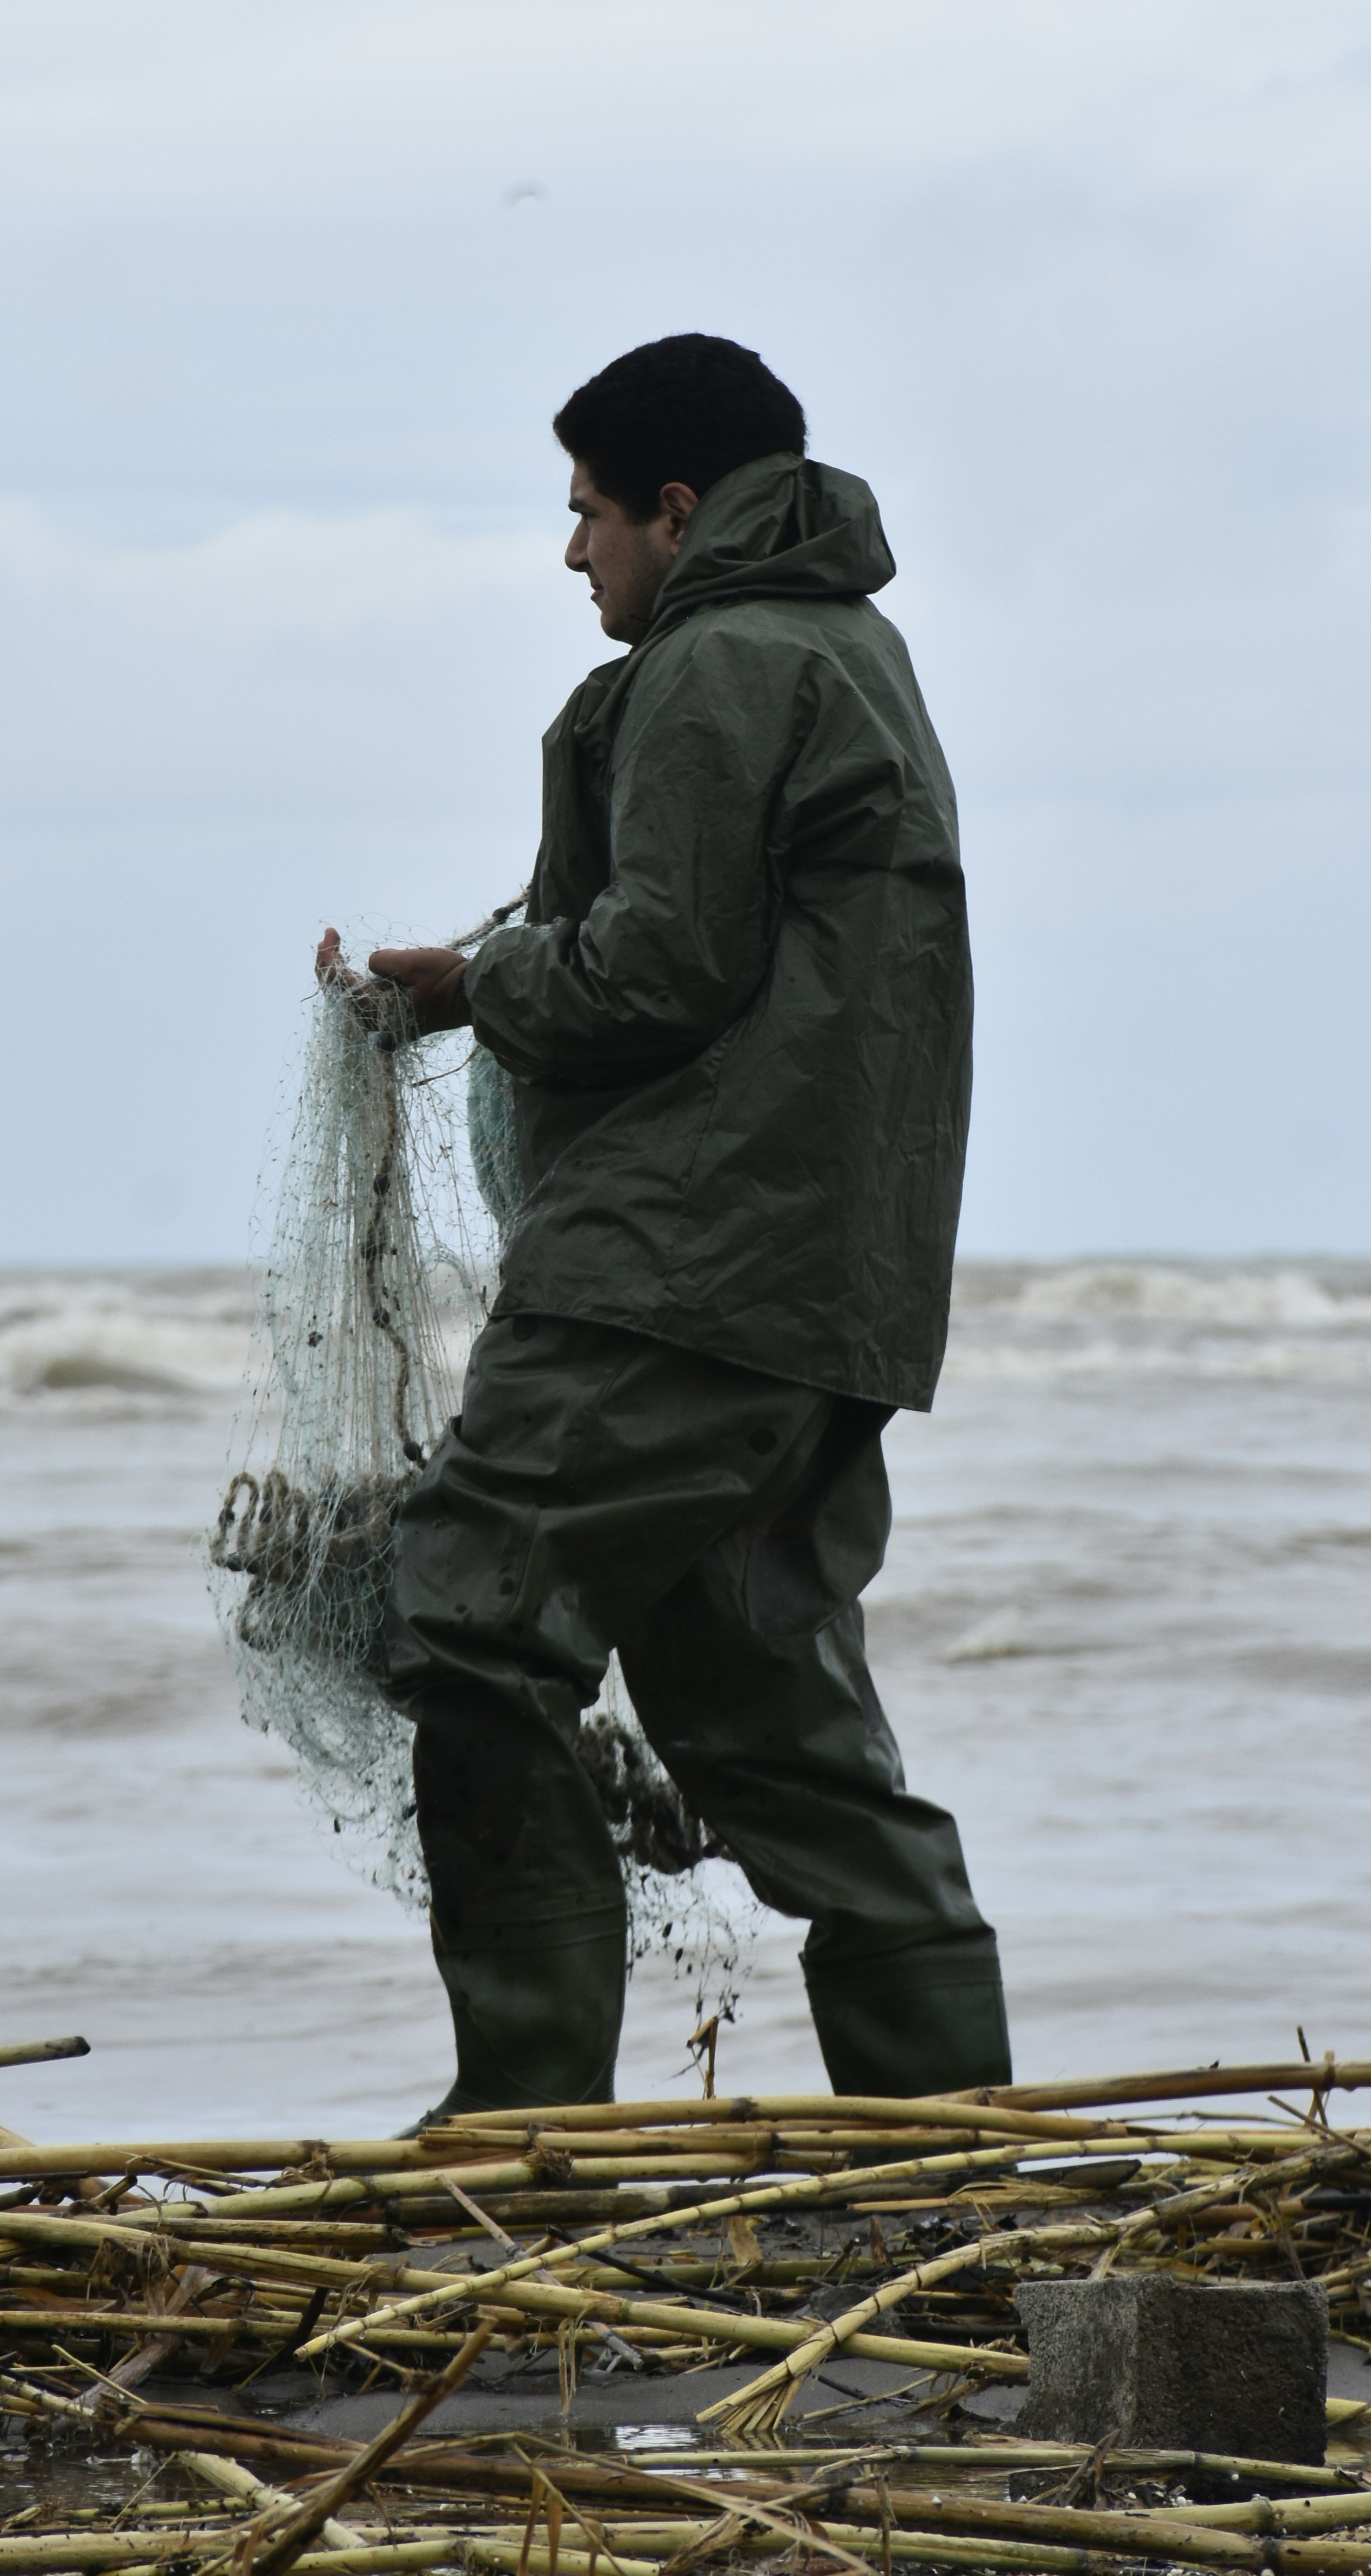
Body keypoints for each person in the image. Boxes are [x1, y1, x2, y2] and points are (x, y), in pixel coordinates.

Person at [355, 331, 1007, 2111]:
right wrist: (497, 980)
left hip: (677, 1270)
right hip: (819, 1292)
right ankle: (943, 2148)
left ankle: (526, 2126)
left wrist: (484, 980)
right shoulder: (852, 652)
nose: (573, 556)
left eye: (584, 514)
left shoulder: (722, 660)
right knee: (775, 1736)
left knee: (468, 1625)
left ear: (675, 506)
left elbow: (664, 965)